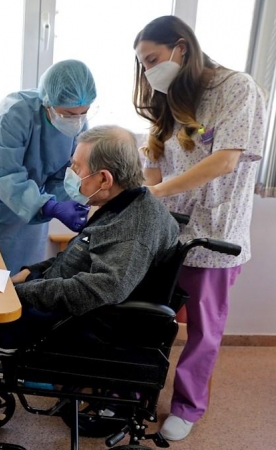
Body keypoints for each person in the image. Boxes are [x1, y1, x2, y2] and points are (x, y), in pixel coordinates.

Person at [0, 125, 180, 449]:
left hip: (77, 325)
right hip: (61, 307)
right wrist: (30, 272)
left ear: (105, 179)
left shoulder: (133, 227)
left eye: (77, 168)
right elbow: (75, 259)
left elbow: (102, 289)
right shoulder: (122, 206)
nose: (70, 173)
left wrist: (21, 294)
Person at [133, 16, 266, 441]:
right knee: (149, 316)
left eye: (153, 59)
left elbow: (225, 159)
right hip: (168, 235)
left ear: (181, 48)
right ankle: (136, 389)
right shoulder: (170, 95)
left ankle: (188, 407)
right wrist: (144, 190)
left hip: (214, 234)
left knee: (204, 329)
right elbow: (156, 159)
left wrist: (158, 193)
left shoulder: (236, 89)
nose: (149, 70)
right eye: (143, 64)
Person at [0, 59, 97, 275]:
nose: (77, 121)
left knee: (27, 266)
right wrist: (49, 206)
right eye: (69, 114)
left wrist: (68, 198)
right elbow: (4, 175)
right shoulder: (8, 115)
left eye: (84, 112)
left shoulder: (77, 123)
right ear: (48, 102)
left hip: (36, 195)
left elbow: (65, 170)